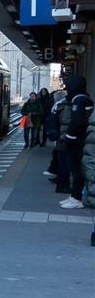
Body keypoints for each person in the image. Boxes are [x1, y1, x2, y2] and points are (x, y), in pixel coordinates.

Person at [60, 76, 93, 209]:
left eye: (68, 86)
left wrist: (69, 136)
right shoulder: (82, 98)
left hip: (77, 141)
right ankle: (74, 196)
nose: (66, 88)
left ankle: (76, 198)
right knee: (75, 169)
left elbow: (78, 121)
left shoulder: (79, 100)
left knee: (76, 169)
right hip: (79, 140)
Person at [44, 91, 71, 194]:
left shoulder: (58, 106)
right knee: (63, 161)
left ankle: (60, 181)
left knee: (61, 159)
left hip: (60, 137)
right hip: (64, 138)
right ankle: (61, 183)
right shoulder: (64, 107)